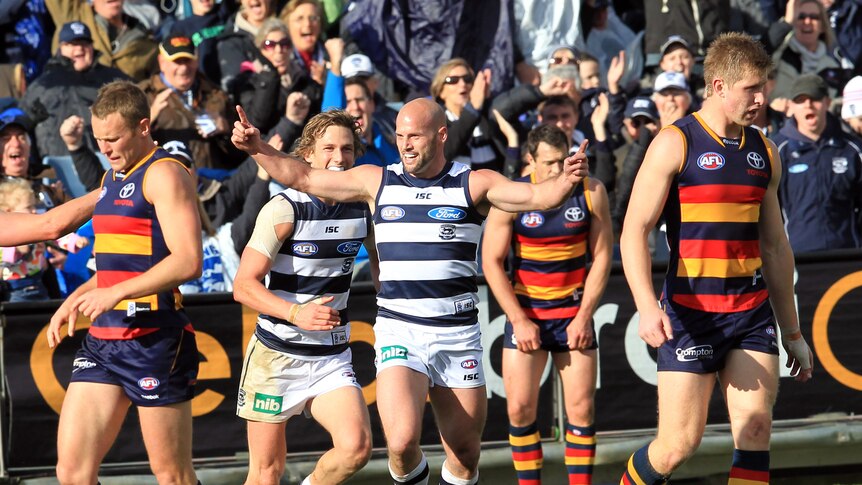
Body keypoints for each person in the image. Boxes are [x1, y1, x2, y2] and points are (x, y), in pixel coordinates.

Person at [232, 97, 589, 485]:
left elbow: (538, 197)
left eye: (414, 136)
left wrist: (566, 181)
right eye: (400, 136)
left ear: (440, 135)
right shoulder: (373, 182)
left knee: (466, 454)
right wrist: (258, 148)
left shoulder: (474, 183)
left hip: (456, 334)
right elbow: (302, 177)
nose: (405, 144)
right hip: (392, 330)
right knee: (399, 443)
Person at [619, 32, 814, 484]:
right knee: (676, 448)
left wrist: (793, 331)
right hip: (692, 314)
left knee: (756, 428)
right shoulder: (675, 142)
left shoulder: (764, 151)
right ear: (719, 86)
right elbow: (633, 231)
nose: (762, 97)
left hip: (749, 311)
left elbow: (776, 247)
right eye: (751, 88)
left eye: (764, 86)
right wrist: (648, 306)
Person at [46, 81, 202, 485]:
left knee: (171, 476)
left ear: (144, 127)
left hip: (153, 339)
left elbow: (188, 261)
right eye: (99, 141)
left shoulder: (164, 174)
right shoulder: (110, 176)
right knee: (73, 473)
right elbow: (117, 267)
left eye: (114, 139)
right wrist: (76, 298)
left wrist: (114, 292)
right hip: (103, 340)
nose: (106, 149)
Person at [233, 109, 374, 485]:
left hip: (330, 356)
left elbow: (383, 273)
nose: (339, 158)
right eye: (328, 148)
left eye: (347, 149)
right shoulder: (284, 208)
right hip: (276, 357)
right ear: (307, 154)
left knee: (356, 448)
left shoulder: (364, 208)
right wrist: (295, 314)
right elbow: (243, 285)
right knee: (266, 473)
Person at [481, 124, 612, 485]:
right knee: (520, 409)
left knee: (581, 411)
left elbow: (602, 256)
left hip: (572, 314)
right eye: (550, 163)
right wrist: (518, 320)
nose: (558, 170)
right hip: (528, 314)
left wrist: (585, 315)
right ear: (530, 160)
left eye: (563, 160)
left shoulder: (590, 190)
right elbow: (490, 261)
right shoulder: (512, 194)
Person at [772, 74, 862, 253]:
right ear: (791, 107)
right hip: (796, 257)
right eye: (800, 100)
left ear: (827, 102)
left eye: (814, 98)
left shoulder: (853, 149)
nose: (808, 105)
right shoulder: (776, 150)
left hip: (847, 255)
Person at [20, 21, 129, 158]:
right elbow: (21, 125)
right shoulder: (43, 85)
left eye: (84, 43)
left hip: (108, 164)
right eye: (72, 44)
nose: (79, 49)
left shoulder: (115, 81)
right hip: (58, 169)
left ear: (92, 47)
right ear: (61, 48)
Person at [139, 33, 238, 170]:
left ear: (196, 61)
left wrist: (226, 128)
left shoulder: (215, 94)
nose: (184, 68)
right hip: (167, 181)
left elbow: (240, 154)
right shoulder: (142, 96)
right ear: (162, 62)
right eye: (177, 61)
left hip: (214, 183)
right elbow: (127, 145)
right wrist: (150, 117)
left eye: (188, 60)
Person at [0, 179, 88, 302]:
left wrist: (74, 241)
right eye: (28, 207)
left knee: (43, 312)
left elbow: (55, 237)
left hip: (39, 282)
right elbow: (5, 257)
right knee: (19, 316)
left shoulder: (35, 228)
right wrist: (16, 250)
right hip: (16, 288)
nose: (34, 210)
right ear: (9, 212)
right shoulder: (8, 233)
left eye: (34, 206)